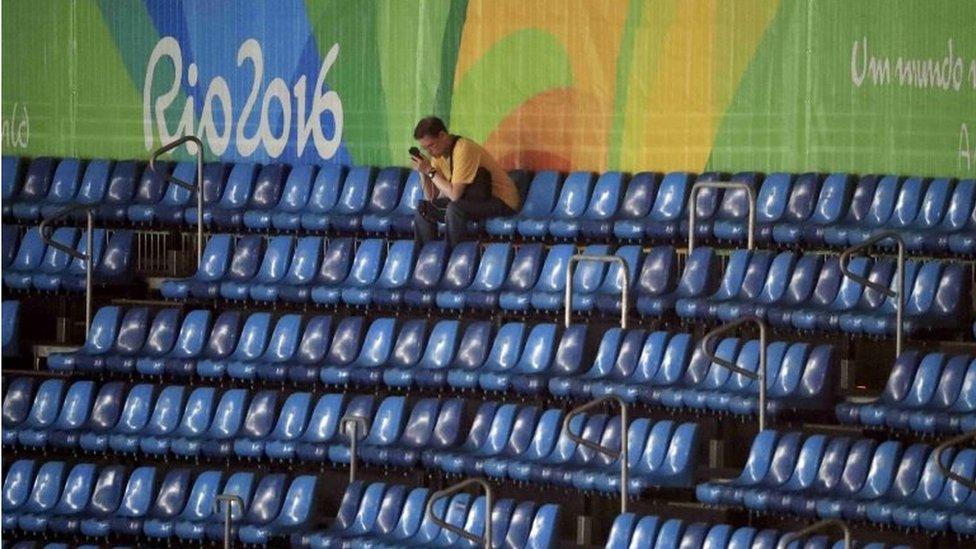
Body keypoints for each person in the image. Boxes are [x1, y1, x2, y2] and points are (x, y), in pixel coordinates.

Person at [410, 116, 521, 247]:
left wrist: (430, 171)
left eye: (431, 145)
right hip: (472, 199)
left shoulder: (463, 148)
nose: (429, 151)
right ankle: (427, 256)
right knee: (423, 209)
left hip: (501, 200)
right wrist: (423, 172)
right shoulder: (437, 156)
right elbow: (432, 197)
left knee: (454, 209)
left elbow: (455, 195)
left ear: (442, 135)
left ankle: (454, 257)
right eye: (425, 149)